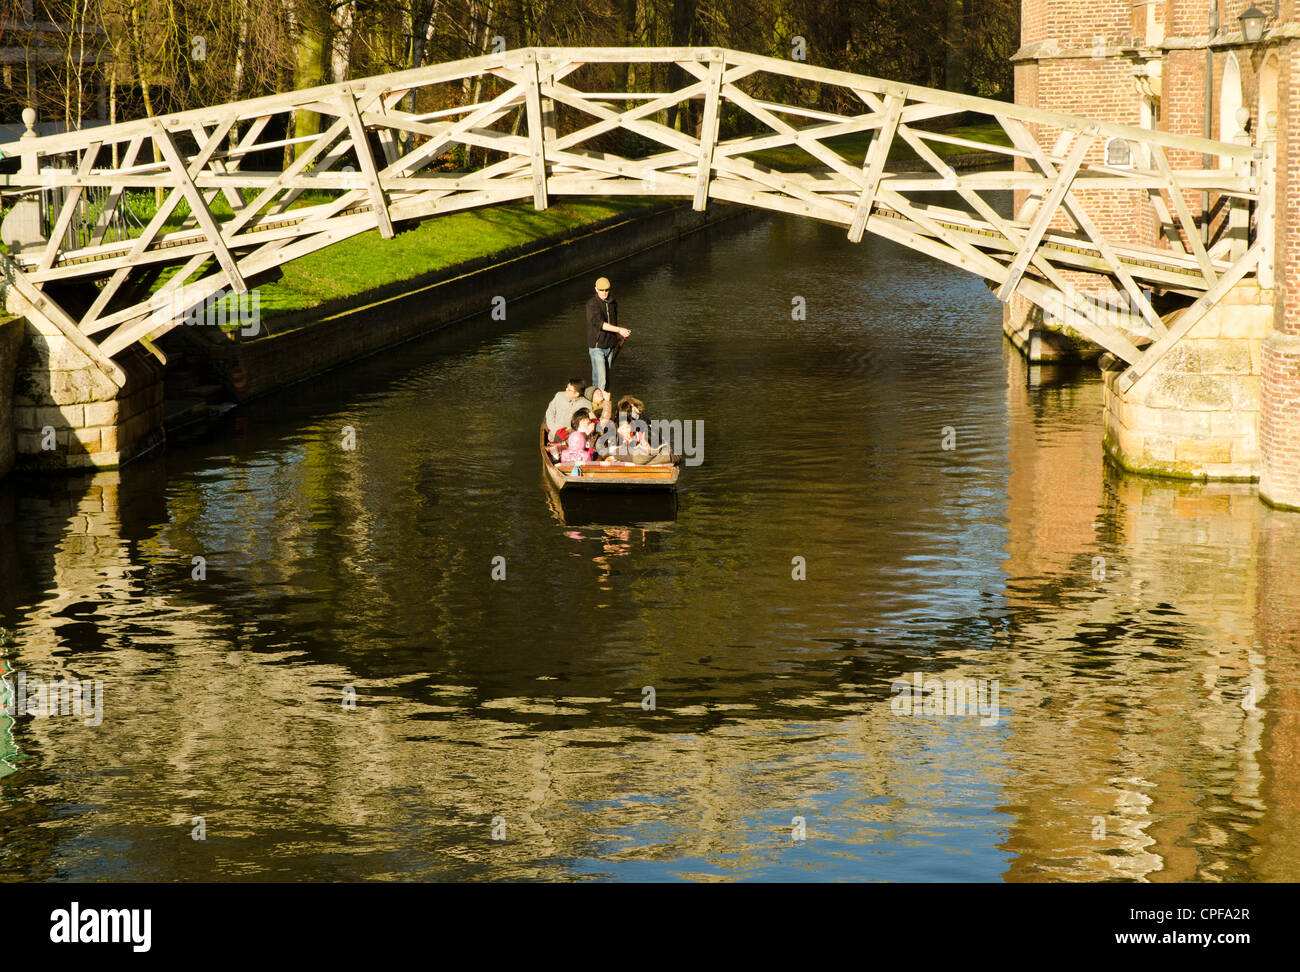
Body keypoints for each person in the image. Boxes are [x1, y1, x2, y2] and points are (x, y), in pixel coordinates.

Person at [587, 276, 630, 395]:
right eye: (601, 290)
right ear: (596, 289)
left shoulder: (613, 303)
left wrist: (618, 336)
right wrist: (620, 330)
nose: (604, 293)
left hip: (610, 346)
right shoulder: (592, 304)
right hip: (597, 347)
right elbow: (599, 324)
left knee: (606, 380)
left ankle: (601, 404)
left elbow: (613, 322)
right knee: (601, 380)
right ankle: (598, 406)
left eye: (606, 290)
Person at [544, 378, 592, 443]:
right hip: (553, 433)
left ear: (576, 394)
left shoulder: (585, 404)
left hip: (571, 438)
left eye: (569, 390)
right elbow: (550, 411)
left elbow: (584, 424)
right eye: (567, 387)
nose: (566, 390)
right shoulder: (559, 395)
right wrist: (552, 427)